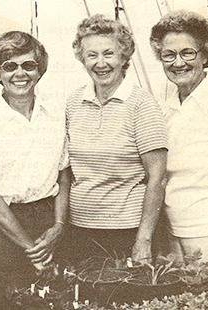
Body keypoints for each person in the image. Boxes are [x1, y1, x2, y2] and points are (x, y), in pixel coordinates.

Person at [0, 31, 71, 303]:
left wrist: (59, 225)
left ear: (40, 70)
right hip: (3, 228)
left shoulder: (55, 115)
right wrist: (31, 251)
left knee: (53, 300)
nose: (19, 74)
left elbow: (63, 173)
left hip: (49, 223)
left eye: (28, 65)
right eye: (9, 66)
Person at [65, 15, 168, 265]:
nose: (101, 63)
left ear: (123, 57)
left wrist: (143, 239)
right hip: (79, 230)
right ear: (82, 59)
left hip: (128, 232)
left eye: (108, 53)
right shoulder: (73, 103)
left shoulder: (142, 105)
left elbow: (158, 177)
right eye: (92, 55)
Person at [150, 11, 208, 264]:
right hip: (176, 229)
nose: (178, 62)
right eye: (169, 55)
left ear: (205, 55)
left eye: (187, 53)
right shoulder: (164, 108)